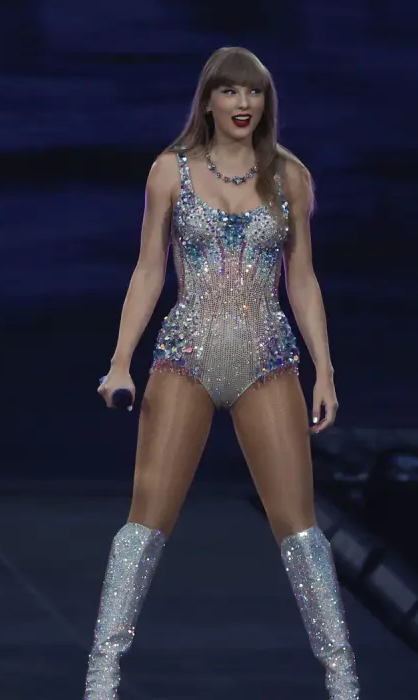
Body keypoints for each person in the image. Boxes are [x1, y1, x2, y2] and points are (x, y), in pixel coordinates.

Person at [84, 47, 358, 700]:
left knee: (299, 527)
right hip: (188, 355)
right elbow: (149, 269)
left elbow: (303, 278)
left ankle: (344, 681)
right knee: (146, 519)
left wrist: (325, 371)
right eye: (230, 91)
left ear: (266, 102)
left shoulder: (289, 176)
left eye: (254, 92)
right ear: (208, 100)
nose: (243, 103)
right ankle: (101, 676)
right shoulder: (169, 171)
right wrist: (120, 361)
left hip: (266, 358)